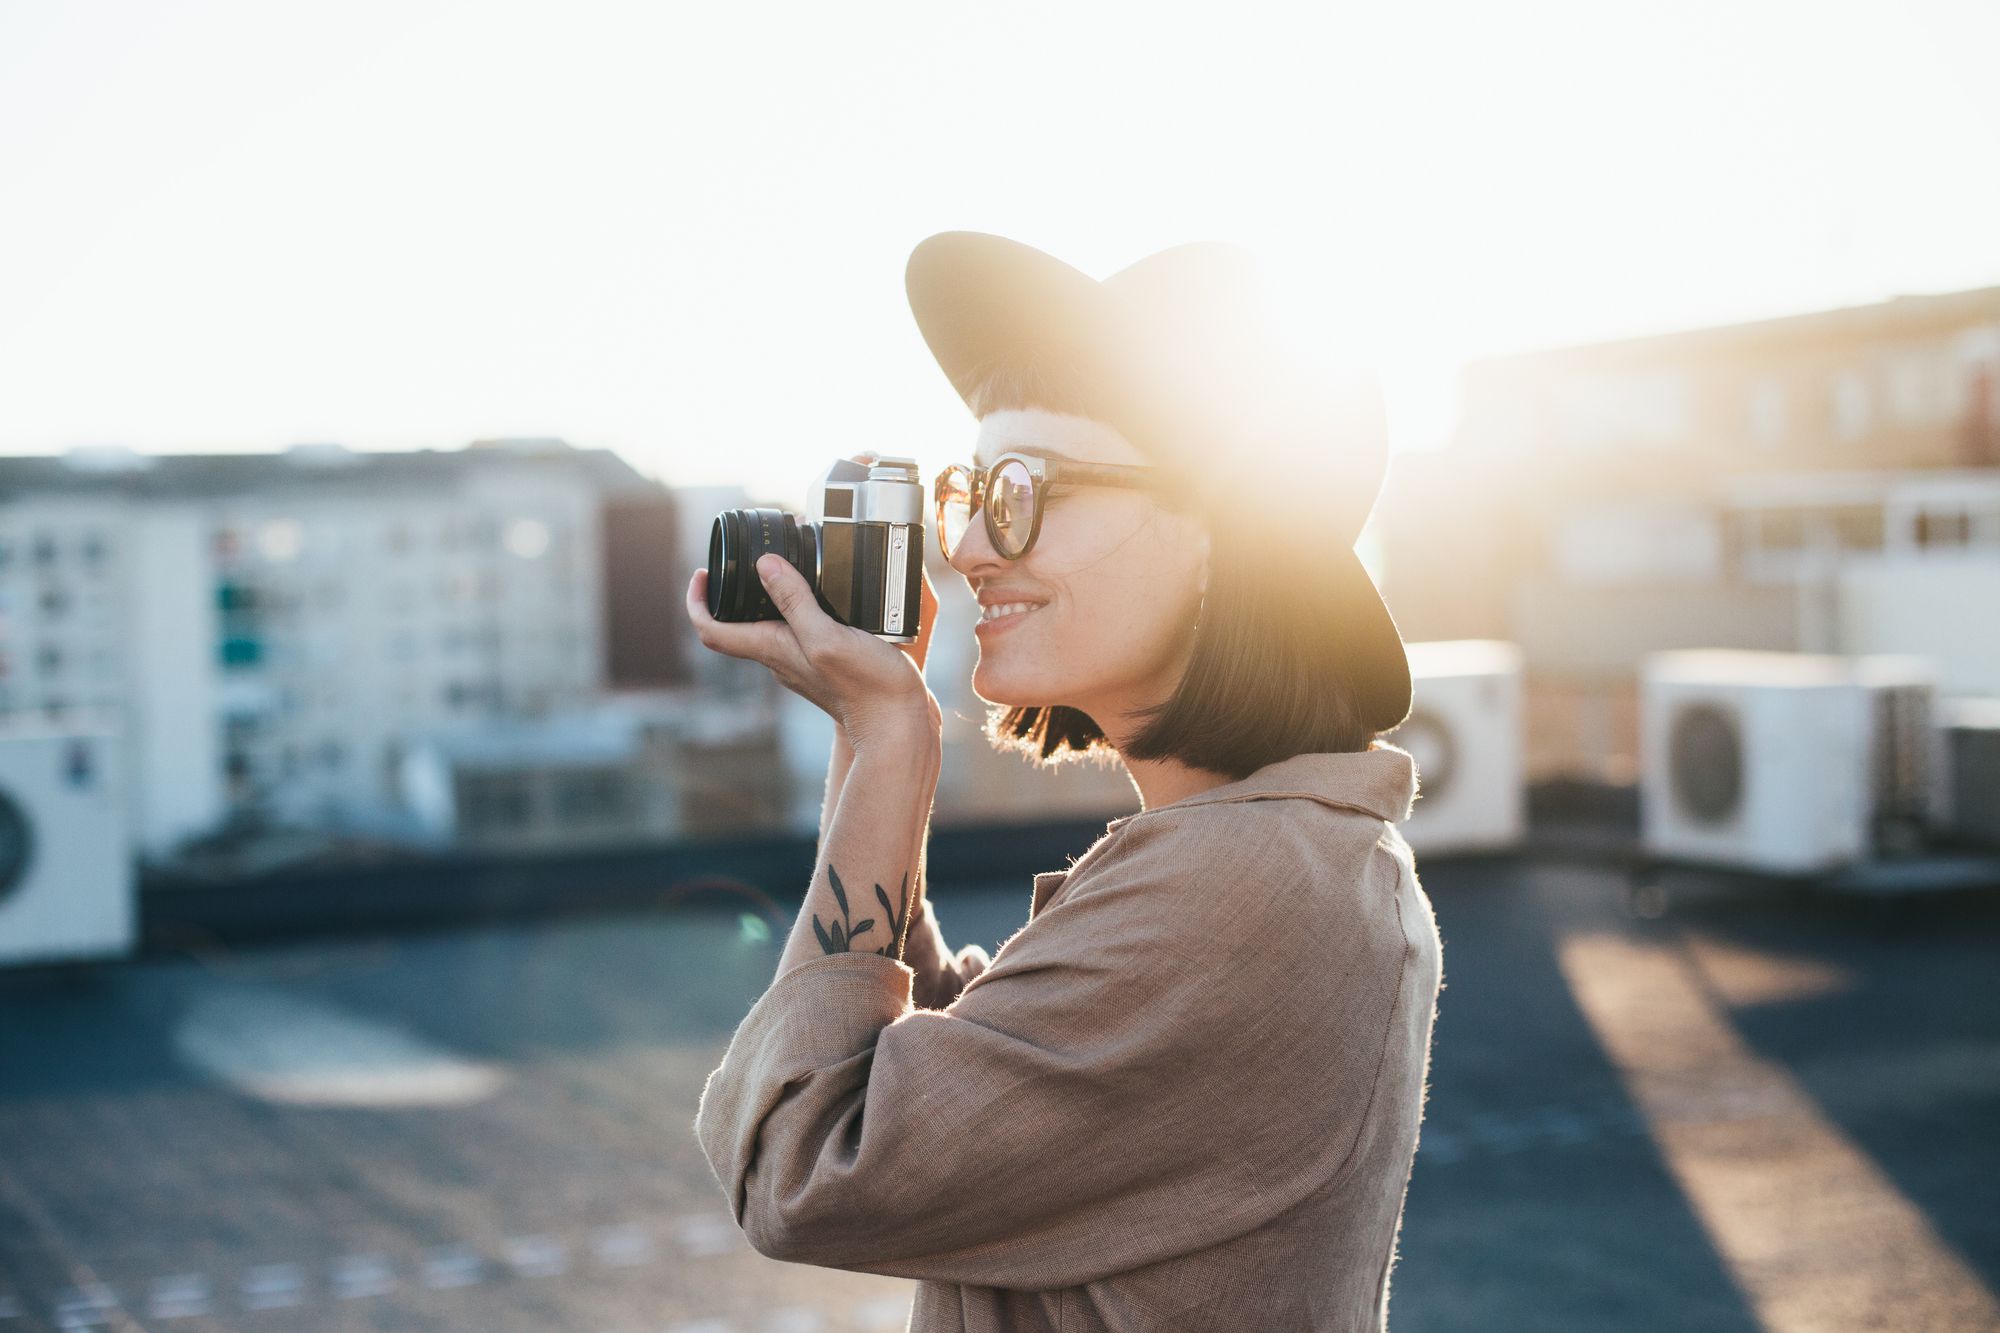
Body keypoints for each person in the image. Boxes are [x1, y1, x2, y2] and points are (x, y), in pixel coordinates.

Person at [688, 231, 1443, 1332]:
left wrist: (899, 743)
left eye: (1022, 490)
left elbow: (802, 1160)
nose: (969, 549)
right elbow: (994, 1081)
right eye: (970, 492)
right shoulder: (1284, 857)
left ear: (1221, 535)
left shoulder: (1247, 887)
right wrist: (866, 738)